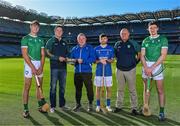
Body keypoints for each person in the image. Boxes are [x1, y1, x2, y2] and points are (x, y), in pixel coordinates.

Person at [141, 21, 168, 121]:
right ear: (148, 29)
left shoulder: (163, 39)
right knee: (146, 89)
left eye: (154, 27)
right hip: (146, 65)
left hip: (157, 65)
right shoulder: (145, 40)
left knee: (160, 90)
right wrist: (146, 67)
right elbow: (142, 56)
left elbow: (163, 55)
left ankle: (161, 112)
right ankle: (145, 107)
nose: (152, 29)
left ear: (157, 28)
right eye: (150, 28)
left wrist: (151, 68)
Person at [21, 20, 45, 118]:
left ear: (38, 28)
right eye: (34, 26)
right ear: (30, 27)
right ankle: (25, 109)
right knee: (27, 86)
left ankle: (40, 106)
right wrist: (32, 67)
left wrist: (40, 67)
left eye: (37, 27)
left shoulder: (41, 39)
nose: (35, 28)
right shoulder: (25, 38)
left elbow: (43, 54)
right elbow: (24, 54)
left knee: (39, 86)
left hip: (39, 63)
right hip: (28, 64)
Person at [114, 28, 141, 115]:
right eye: (122, 34)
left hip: (130, 70)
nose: (124, 35)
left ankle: (134, 108)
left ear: (129, 34)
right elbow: (115, 55)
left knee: (132, 90)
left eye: (125, 33)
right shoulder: (117, 44)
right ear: (120, 35)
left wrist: (134, 63)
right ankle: (119, 106)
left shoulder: (133, 43)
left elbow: (139, 54)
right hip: (119, 70)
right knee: (120, 89)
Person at [45, 26, 69, 113]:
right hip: (54, 67)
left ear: (62, 32)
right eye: (57, 30)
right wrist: (57, 58)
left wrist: (68, 59)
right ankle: (52, 106)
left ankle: (62, 104)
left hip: (63, 68)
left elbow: (67, 53)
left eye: (60, 30)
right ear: (55, 31)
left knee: (62, 87)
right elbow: (47, 53)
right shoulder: (50, 41)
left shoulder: (64, 42)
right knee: (53, 87)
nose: (59, 32)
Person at [70, 33, 95, 112]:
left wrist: (83, 61)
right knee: (78, 89)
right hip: (77, 72)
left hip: (87, 72)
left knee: (89, 89)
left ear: (85, 39)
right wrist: (74, 61)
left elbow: (93, 58)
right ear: (77, 40)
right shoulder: (74, 48)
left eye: (83, 38)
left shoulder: (90, 48)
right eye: (79, 39)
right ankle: (78, 104)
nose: (81, 40)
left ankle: (90, 104)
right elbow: (71, 59)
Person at [94, 34, 114, 112]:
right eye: (102, 39)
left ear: (107, 39)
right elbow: (94, 60)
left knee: (108, 88)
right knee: (98, 88)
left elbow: (112, 60)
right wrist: (99, 61)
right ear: (99, 40)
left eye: (105, 38)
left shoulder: (110, 48)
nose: (103, 40)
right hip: (99, 72)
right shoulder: (96, 49)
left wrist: (106, 60)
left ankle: (108, 105)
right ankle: (98, 105)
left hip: (108, 72)